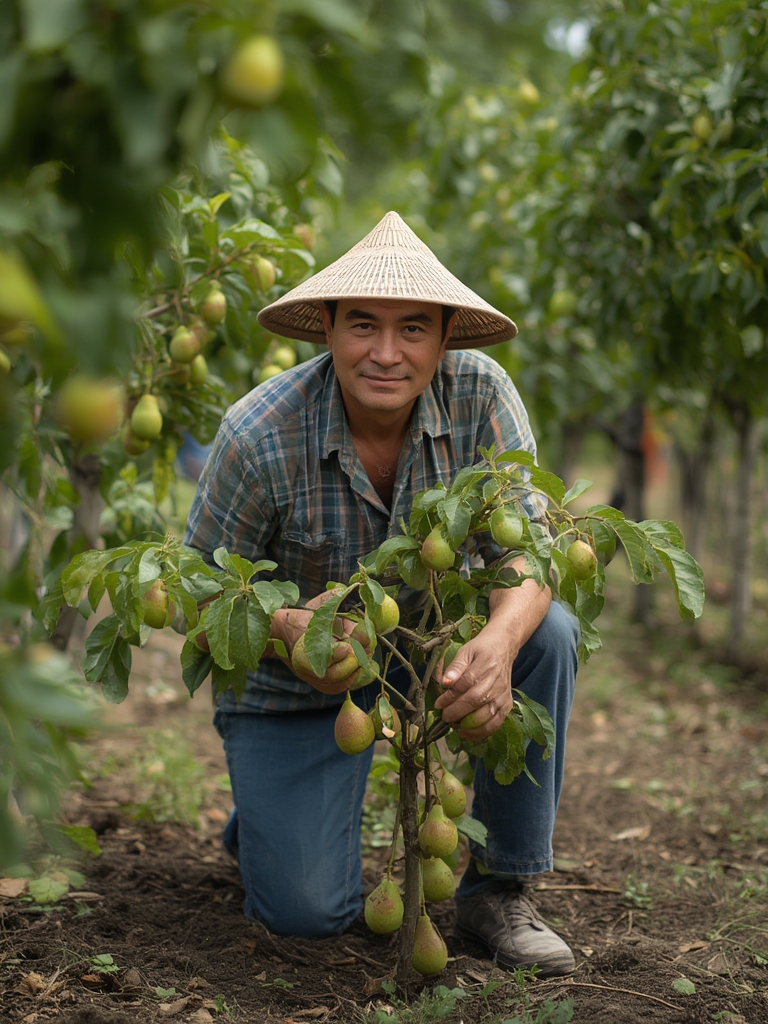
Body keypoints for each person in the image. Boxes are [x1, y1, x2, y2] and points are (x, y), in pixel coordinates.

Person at [184, 211, 579, 977]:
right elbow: (202, 595)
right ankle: (268, 821)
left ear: (443, 338)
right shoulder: (258, 433)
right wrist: (284, 625)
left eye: (413, 331)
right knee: (308, 918)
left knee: (547, 633)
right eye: (364, 326)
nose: (387, 353)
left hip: (434, 654)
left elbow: (532, 554)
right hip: (297, 683)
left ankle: (499, 889)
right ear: (327, 329)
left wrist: (497, 647)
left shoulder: (481, 396)